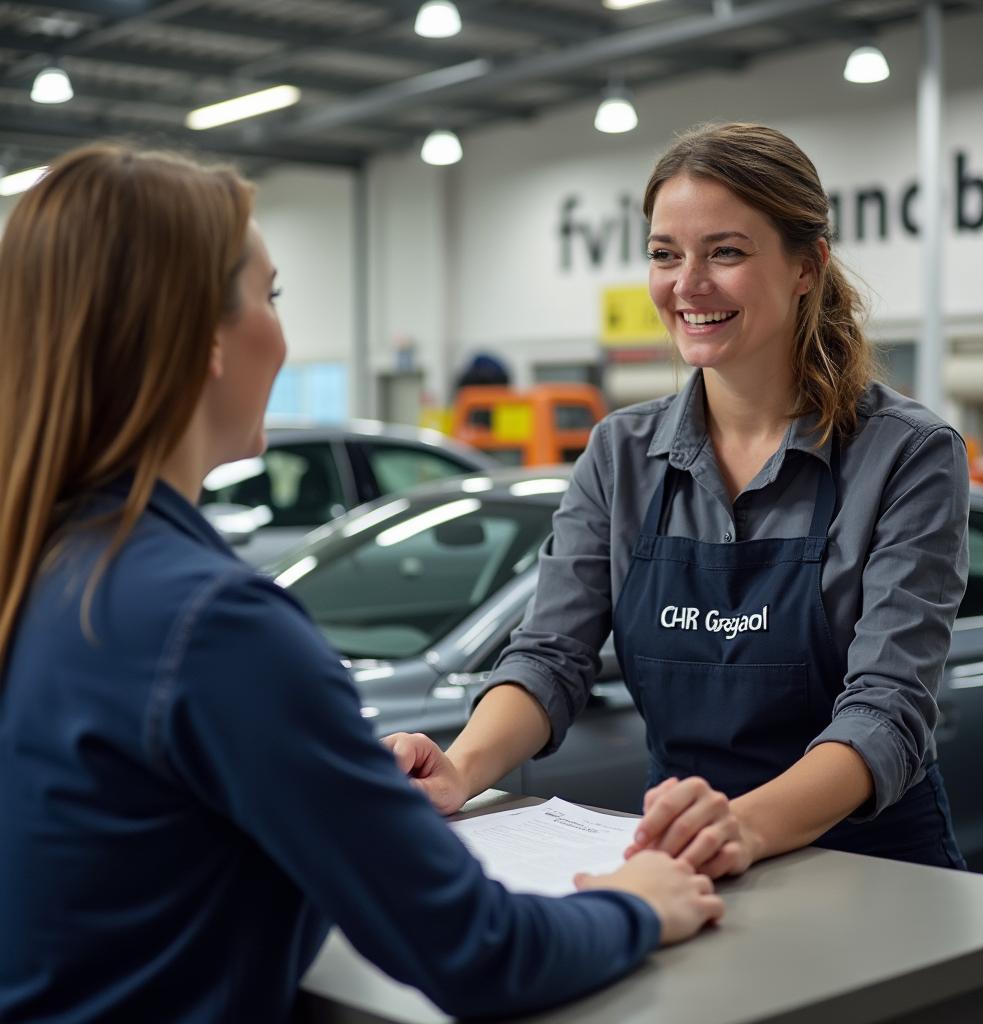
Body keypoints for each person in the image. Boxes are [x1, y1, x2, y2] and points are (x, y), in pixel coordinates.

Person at [0, 145, 724, 1023]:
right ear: (205, 342)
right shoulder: (214, 626)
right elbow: (478, 951)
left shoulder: (49, 566)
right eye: (269, 298)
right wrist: (639, 902)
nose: (283, 333)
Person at [387, 122, 969, 877]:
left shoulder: (906, 455)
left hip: (871, 870)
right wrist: (461, 771)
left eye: (725, 252)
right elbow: (549, 658)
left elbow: (886, 711)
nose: (687, 284)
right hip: (680, 859)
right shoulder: (620, 454)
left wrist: (741, 827)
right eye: (665, 255)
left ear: (807, 266)